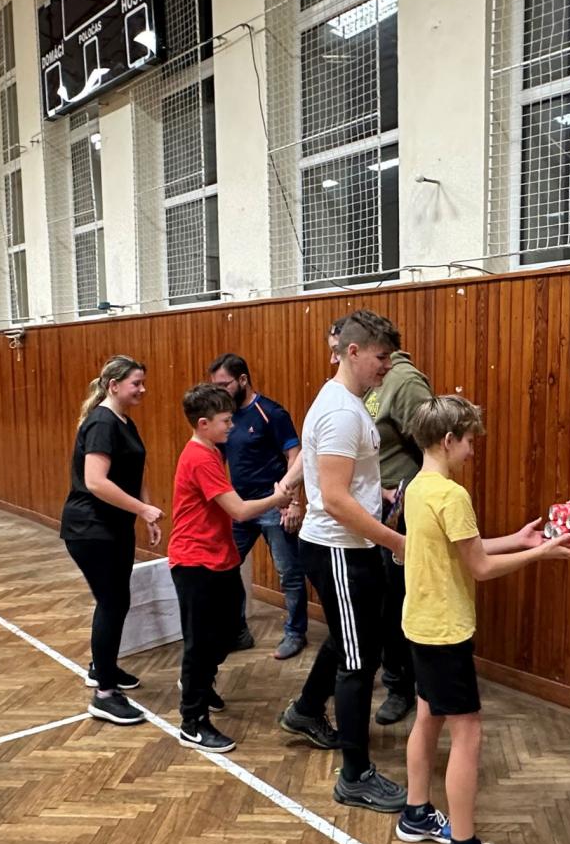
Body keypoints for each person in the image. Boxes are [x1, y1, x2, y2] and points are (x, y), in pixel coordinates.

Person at [395, 395, 570, 844]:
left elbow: (462, 549)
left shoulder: (417, 486)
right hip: (445, 631)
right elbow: (479, 566)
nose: (472, 450)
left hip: (420, 625)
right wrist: (541, 555)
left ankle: (416, 813)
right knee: (468, 733)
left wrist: (519, 540)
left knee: (428, 716)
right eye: (469, 441)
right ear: (448, 440)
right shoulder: (451, 495)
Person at [276, 309, 408, 812]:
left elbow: (346, 482)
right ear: (353, 352)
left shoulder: (351, 403)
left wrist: (381, 493)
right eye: (381, 356)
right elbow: (332, 498)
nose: (387, 366)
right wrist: (395, 542)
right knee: (358, 662)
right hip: (338, 549)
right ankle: (355, 776)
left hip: (351, 545)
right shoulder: (341, 412)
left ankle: (307, 711)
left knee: (346, 637)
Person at [169, 383, 292, 752]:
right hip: (195, 562)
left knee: (228, 633)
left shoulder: (212, 450)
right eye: (225, 421)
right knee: (199, 643)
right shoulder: (199, 457)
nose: (232, 426)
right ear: (204, 424)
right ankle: (192, 721)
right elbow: (238, 510)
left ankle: (200, 682)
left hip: (219, 558)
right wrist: (277, 497)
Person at [60, 355, 163, 726]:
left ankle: (103, 667)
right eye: (136, 383)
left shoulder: (124, 421)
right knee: (112, 602)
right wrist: (143, 510)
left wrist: (146, 511)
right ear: (113, 385)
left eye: (143, 382)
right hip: (90, 529)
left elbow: (136, 470)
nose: (142, 389)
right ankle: (104, 694)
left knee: (117, 601)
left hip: (113, 528)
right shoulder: (102, 422)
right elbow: (96, 482)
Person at [208, 353, 308, 660]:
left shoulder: (271, 413)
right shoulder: (225, 418)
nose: (219, 392)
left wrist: (293, 501)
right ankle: (238, 632)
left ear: (243, 380)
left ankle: (295, 633)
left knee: (289, 573)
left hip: (275, 506)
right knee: (227, 568)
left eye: (224, 385)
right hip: (240, 507)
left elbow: (295, 456)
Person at [364, 346, 433, 725]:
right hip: (375, 506)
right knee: (380, 598)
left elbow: (433, 445)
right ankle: (389, 674)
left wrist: (414, 496)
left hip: (401, 510)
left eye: (337, 350)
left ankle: (401, 686)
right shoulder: (369, 383)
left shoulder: (405, 382)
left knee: (397, 600)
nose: (333, 359)